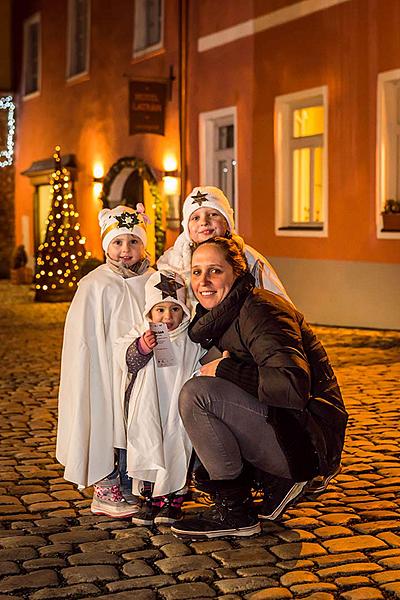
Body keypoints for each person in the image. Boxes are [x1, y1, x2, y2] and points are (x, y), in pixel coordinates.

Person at [171, 237, 348, 539]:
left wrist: (226, 369)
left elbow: (291, 386)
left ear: (237, 274)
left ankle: (236, 510)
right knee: (200, 387)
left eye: (215, 271)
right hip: (287, 428)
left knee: (197, 394)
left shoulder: (260, 310)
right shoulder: (222, 316)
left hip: (307, 441)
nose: (204, 281)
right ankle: (270, 484)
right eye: (197, 272)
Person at [56, 204, 154, 518]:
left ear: (144, 244)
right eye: (118, 242)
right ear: (106, 245)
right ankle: (106, 486)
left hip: (143, 369)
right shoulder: (94, 285)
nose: (126, 249)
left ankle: (134, 483)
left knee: (137, 425)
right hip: (105, 371)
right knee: (106, 425)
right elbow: (83, 341)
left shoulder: (154, 280)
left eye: (134, 241)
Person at [115, 270, 204, 526]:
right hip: (149, 406)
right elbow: (122, 355)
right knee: (148, 444)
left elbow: (200, 362)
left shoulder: (190, 337)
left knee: (176, 448)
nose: (168, 317)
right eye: (160, 310)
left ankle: (172, 501)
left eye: (175, 310)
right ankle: (149, 499)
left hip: (176, 407)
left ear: (184, 310)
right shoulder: (141, 332)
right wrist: (142, 347)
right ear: (150, 312)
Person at [157, 186, 290, 306]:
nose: (204, 222)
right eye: (195, 218)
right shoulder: (172, 263)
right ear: (187, 228)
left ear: (227, 222)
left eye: (213, 214)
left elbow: (278, 303)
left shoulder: (248, 258)